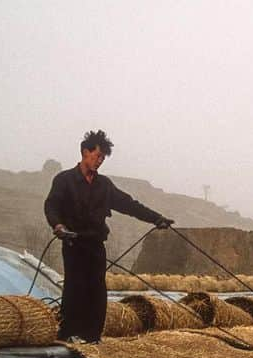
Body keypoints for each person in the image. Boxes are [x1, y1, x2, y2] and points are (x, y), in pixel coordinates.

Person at [44, 129, 173, 342]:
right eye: (97, 156)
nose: (99, 161)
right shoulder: (64, 180)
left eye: (103, 158)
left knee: (97, 289)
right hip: (73, 241)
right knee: (74, 287)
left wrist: (156, 218)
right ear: (85, 152)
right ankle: (67, 333)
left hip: (95, 243)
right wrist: (58, 225)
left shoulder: (104, 185)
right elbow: (51, 206)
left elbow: (129, 204)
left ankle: (92, 336)